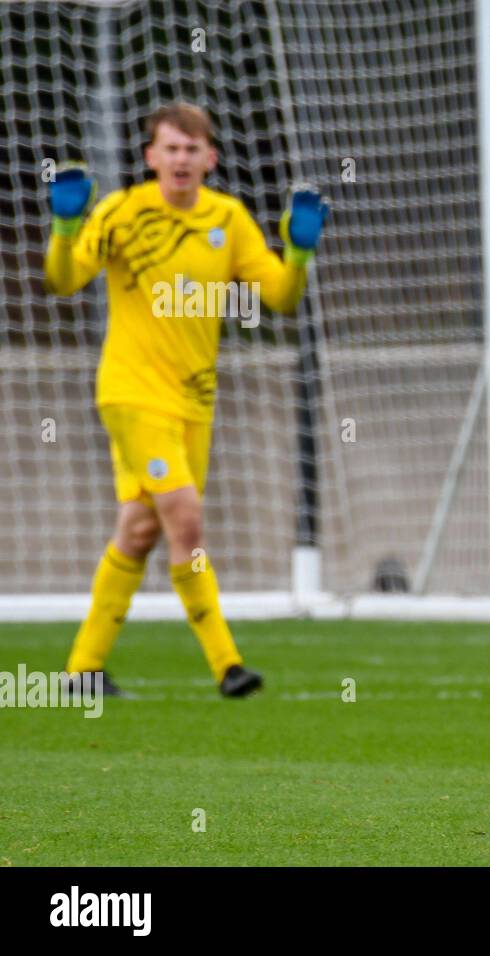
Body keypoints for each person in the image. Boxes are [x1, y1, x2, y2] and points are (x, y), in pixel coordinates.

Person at [45, 102, 328, 698]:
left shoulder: (227, 218)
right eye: (169, 148)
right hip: (129, 393)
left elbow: (279, 296)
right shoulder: (122, 211)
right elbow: (65, 280)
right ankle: (228, 665)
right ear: (150, 156)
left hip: (194, 403)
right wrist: (66, 228)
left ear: (209, 158)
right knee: (186, 519)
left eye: (190, 149)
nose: (180, 159)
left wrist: (298, 252)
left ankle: (81, 670)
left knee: (140, 529)